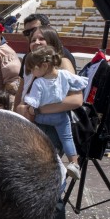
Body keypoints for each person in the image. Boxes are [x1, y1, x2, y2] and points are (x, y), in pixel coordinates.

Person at [22, 46, 88, 179]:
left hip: (42, 117)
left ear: (44, 65)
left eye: (33, 68)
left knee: (37, 136)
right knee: (67, 139)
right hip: (61, 117)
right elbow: (79, 82)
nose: (32, 72)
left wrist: (29, 108)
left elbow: (33, 103)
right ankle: (74, 163)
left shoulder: (39, 82)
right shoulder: (64, 75)